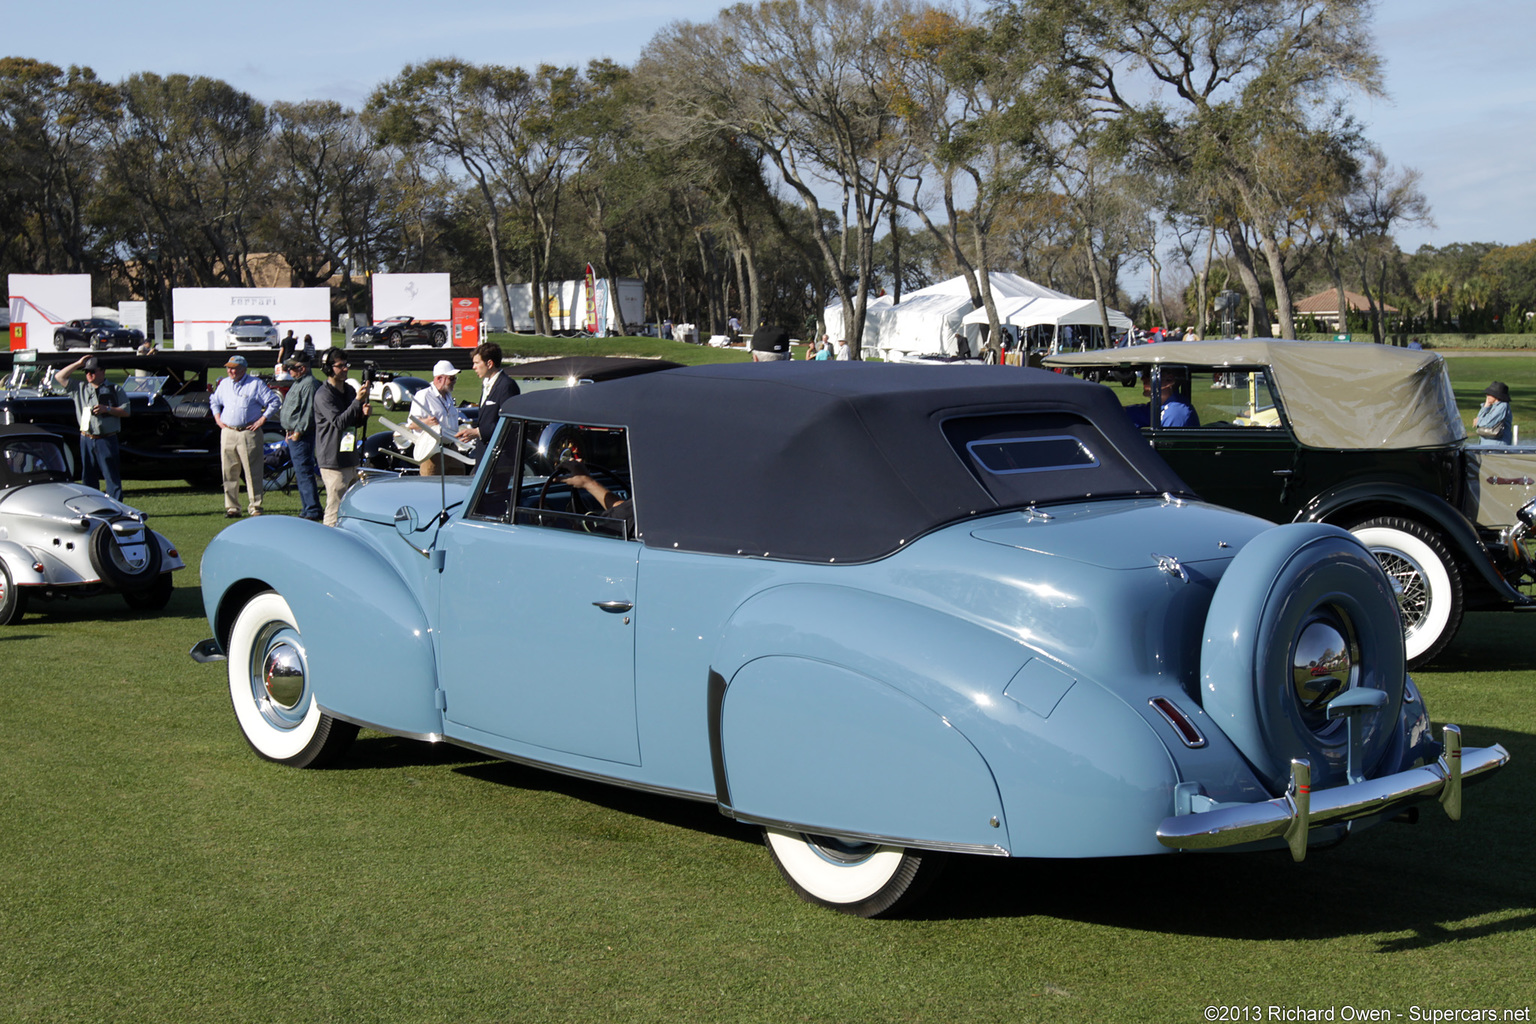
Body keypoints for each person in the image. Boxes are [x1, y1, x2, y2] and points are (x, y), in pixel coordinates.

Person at [209, 354, 280, 518]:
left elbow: (274, 401)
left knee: (252, 470)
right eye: (228, 368)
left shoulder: (255, 384)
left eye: (233, 368)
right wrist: (218, 418)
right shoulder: (224, 384)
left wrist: (262, 419)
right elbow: (214, 400)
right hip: (228, 431)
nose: (230, 371)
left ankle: (255, 506)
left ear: (243, 369)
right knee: (228, 471)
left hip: (249, 433)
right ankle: (232, 507)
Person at [54, 355, 130, 501]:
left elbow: (126, 411)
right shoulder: (79, 388)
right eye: (86, 372)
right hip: (86, 438)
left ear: (102, 371)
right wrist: (78, 363)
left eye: (93, 371)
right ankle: (91, 505)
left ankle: (116, 507)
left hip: (106, 438)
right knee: (88, 477)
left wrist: (107, 409)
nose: (89, 374)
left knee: (111, 476)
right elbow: (59, 376)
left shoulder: (114, 389)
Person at [314, 348, 372, 526]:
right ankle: (329, 545)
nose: (345, 369)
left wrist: (363, 414)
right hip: (333, 461)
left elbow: (353, 422)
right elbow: (339, 422)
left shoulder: (348, 390)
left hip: (350, 457)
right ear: (328, 368)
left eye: (346, 365)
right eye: (340, 366)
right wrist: (357, 401)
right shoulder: (323, 395)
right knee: (334, 509)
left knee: (352, 508)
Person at [278, 351, 324, 520]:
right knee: (301, 472)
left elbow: (307, 412)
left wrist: (297, 432)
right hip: (293, 434)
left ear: (302, 368)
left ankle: (312, 509)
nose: (289, 370)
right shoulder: (299, 382)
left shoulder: (309, 384)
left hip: (301, 435)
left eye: (292, 367)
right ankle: (308, 508)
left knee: (304, 472)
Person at [455, 341, 519, 461]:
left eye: (477, 363)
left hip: (500, 457)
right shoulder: (487, 384)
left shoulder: (507, 386)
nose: (473, 367)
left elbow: (510, 423)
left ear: (489, 364)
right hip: (485, 453)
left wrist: (478, 432)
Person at [410, 360, 466, 475]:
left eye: (455, 378)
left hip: (452, 449)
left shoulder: (448, 396)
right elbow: (412, 425)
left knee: (458, 483)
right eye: (451, 378)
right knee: (432, 488)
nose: (454, 381)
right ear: (439, 378)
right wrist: (427, 421)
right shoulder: (423, 395)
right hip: (433, 452)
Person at [1127, 367, 1199, 429]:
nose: (1142, 379)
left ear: (1169, 380)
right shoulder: (1162, 406)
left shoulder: (1175, 413)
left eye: (1148, 374)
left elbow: (1166, 444)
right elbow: (1133, 412)